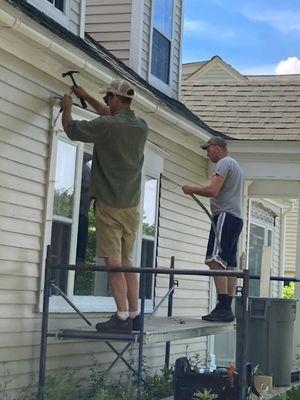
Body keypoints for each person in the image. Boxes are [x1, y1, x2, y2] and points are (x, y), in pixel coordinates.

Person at [60, 79, 148, 333]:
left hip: (109, 204)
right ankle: (135, 314)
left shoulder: (107, 126)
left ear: (116, 98)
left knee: (113, 263)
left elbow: (71, 129)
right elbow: (111, 116)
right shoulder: (140, 126)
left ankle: (121, 317)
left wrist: (68, 106)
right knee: (128, 261)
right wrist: (85, 94)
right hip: (131, 205)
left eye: (108, 97)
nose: (107, 101)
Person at [182, 137, 244, 322]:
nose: (207, 154)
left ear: (217, 149)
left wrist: (190, 188)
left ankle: (223, 305)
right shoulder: (236, 166)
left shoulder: (224, 163)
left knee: (215, 260)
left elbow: (213, 191)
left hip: (224, 216)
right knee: (230, 264)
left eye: (208, 150)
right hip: (236, 218)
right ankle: (227, 307)